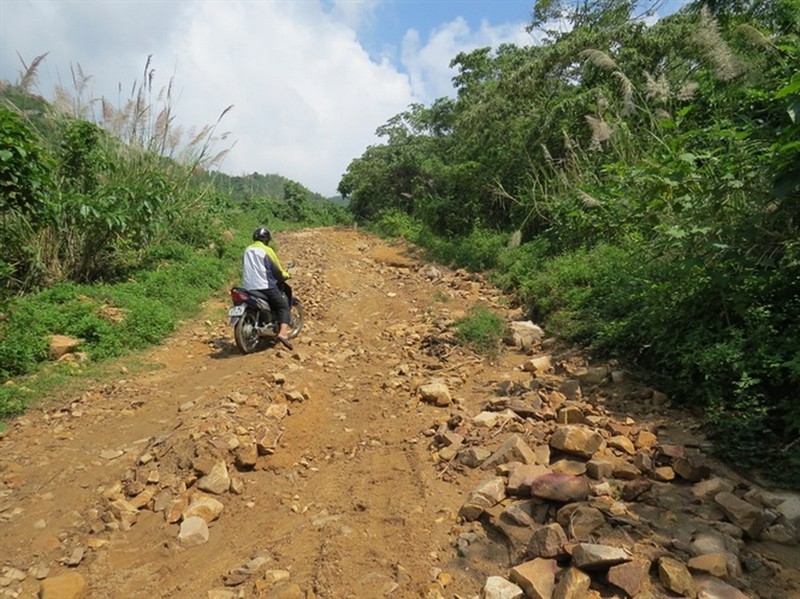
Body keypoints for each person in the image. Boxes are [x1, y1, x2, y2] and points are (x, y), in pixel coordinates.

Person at [242, 227, 294, 350]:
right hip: (265, 286)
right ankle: (283, 333)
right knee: (283, 307)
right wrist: (285, 275)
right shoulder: (267, 250)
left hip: (248, 286)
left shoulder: (247, 250)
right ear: (266, 240)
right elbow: (277, 271)